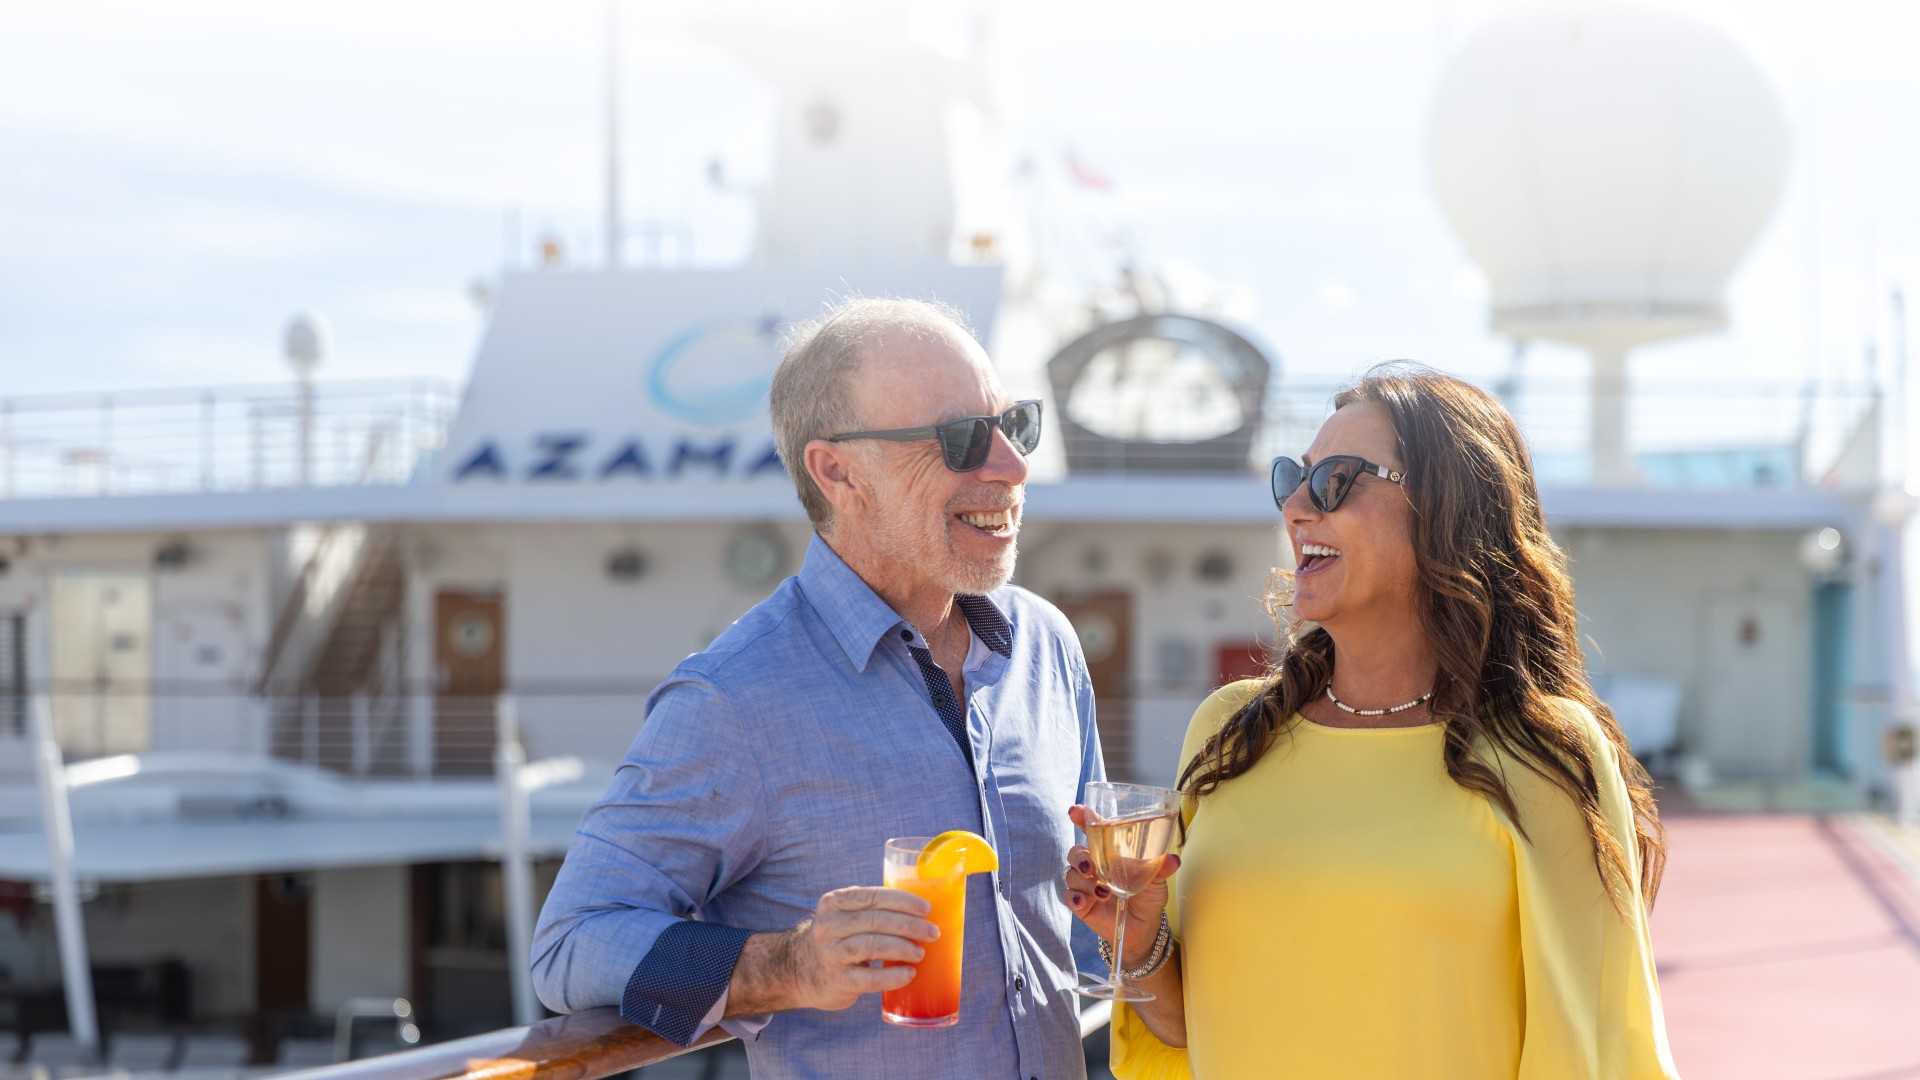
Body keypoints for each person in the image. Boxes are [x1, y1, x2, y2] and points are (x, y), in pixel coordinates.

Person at [532, 297, 1104, 1080]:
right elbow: (571, 943)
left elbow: (1084, 933)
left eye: (1017, 425)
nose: (1010, 465)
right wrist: (788, 966)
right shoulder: (734, 699)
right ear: (838, 472)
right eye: (963, 438)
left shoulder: (1048, 647)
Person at [1062, 363, 1678, 1078]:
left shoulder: (1544, 752)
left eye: (1336, 481)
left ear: (1446, 511)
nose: (1295, 505)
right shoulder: (1230, 731)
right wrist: (1139, 946)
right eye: (1294, 476)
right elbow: (1184, 1032)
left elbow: (1596, 1048)